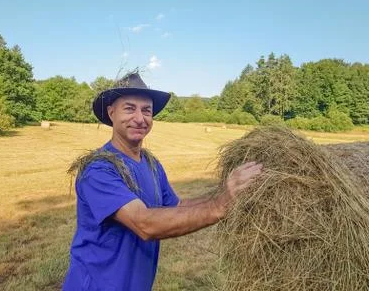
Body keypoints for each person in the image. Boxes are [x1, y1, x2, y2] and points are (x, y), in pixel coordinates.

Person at [62, 72, 262, 291]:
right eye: (129, 108)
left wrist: (228, 192)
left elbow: (177, 207)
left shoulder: (151, 164)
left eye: (146, 110)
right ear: (111, 113)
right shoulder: (98, 169)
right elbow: (144, 223)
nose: (140, 118)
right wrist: (220, 205)